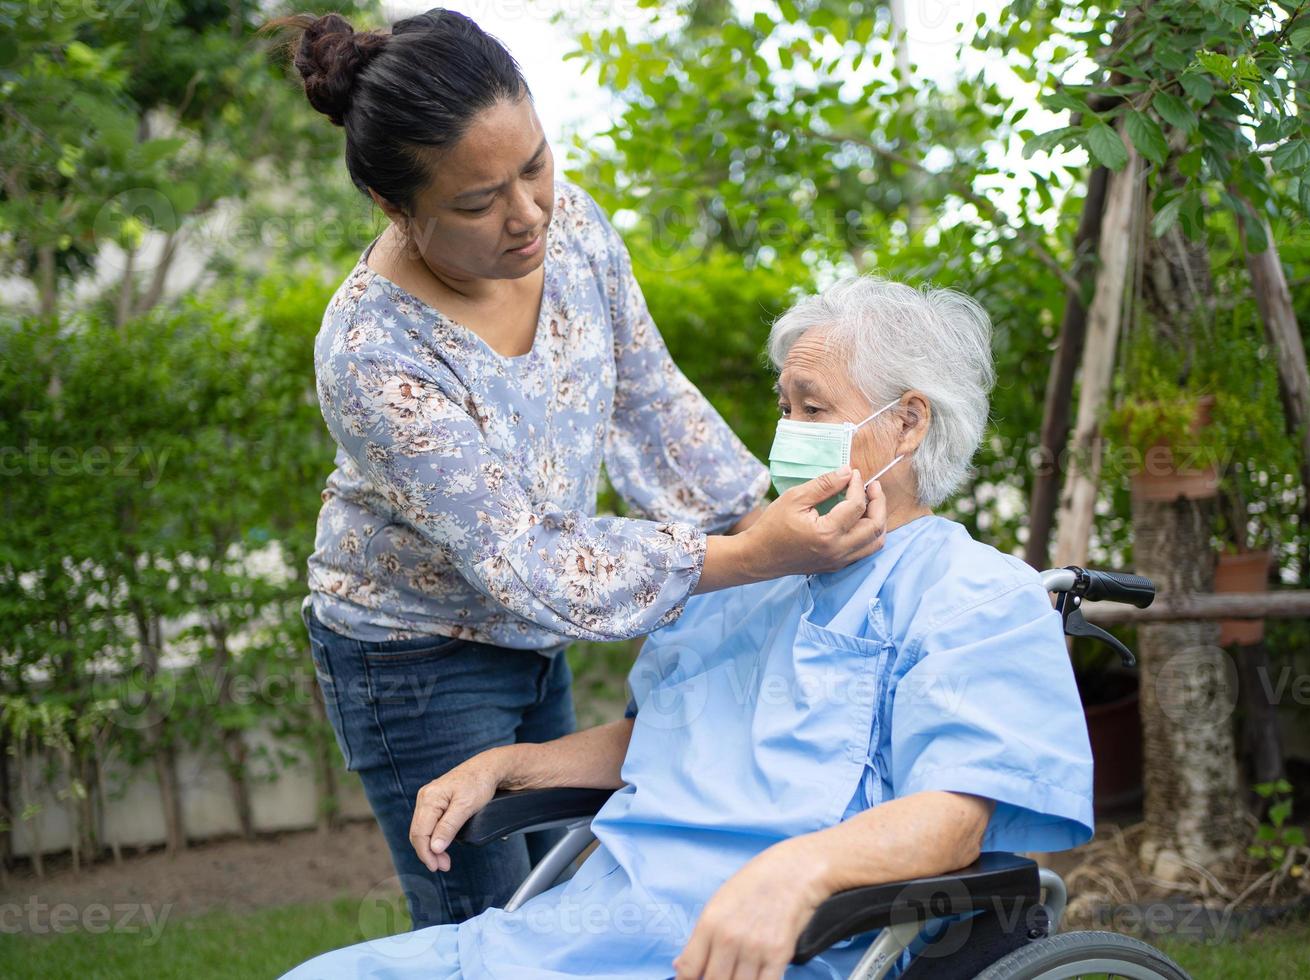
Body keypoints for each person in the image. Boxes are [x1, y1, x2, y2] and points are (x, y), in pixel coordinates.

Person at [279, 276, 1095, 980]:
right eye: (786, 407)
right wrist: (510, 764)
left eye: (815, 408)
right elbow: (662, 738)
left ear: (909, 423)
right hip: (592, 927)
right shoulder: (747, 572)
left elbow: (954, 818)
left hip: (766, 945)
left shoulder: (974, 595)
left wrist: (794, 874)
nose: (790, 432)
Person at [268, 8, 890, 929]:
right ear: (397, 208)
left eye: (535, 164)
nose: (528, 215)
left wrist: (769, 517)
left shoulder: (576, 230)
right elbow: (526, 559)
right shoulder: (372, 352)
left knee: (561, 893)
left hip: (530, 638)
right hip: (413, 659)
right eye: (477, 202)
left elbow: (650, 400)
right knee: (484, 924)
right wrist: (751, 558)